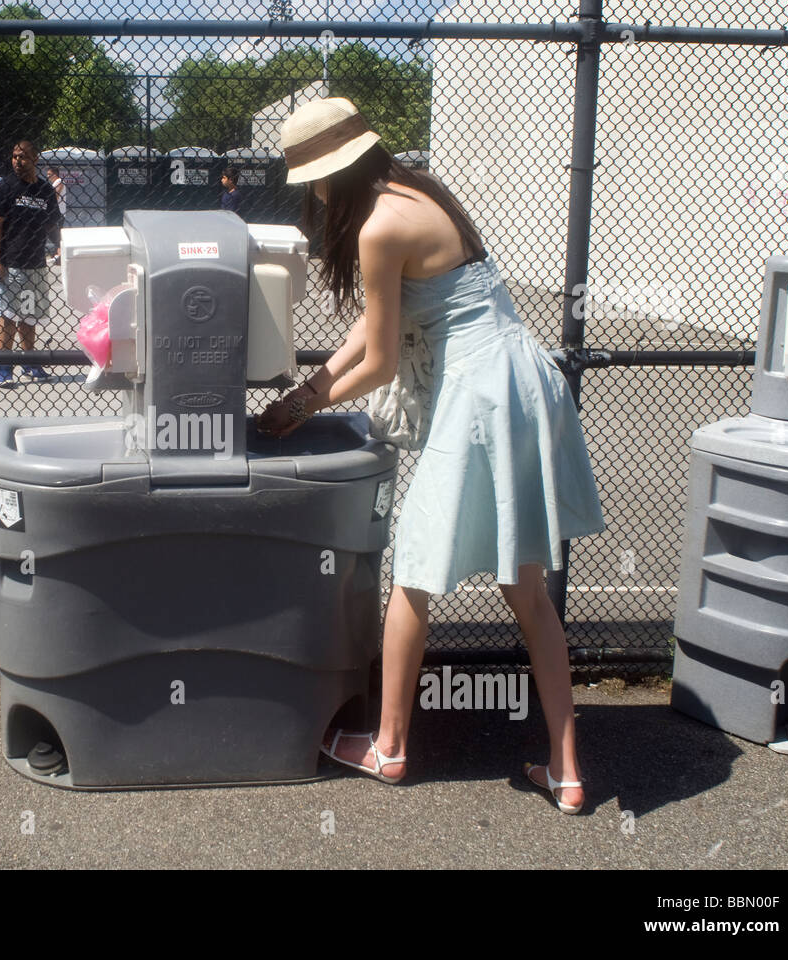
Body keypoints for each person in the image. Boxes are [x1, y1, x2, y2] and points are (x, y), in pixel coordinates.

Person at [258, 98, 604, 813]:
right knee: (528, 591)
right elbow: (380, 320)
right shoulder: (419, 190)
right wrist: (314, 387)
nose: (317, 195)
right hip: (521, 379)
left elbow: (381, 362)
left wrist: (305, 404)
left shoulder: (378, 226)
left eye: (315, 180)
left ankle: (388, 747)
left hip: (479, 395)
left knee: (413, 572)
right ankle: (567, 771)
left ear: (331, 173)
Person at [0, 140, 62, 386]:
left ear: (35, 159)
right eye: (14, 156)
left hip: (36, 265)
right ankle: (4, 367)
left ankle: (29, 362)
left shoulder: (44, 190)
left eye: (23, 157)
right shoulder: (5, 188)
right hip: (12, 265)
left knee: (29, 316)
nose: (17, 161)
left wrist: (63, 245)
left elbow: (52, 225)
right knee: (8, 315)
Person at [45, 164, 68, 264]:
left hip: (58, 213)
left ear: (55, 174)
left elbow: (55, 196)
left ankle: (59, 256)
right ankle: (57, 255)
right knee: (53, 234)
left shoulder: (59, 182)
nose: (48, 176)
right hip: (54, 213)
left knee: (56, 235)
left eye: (49, 174)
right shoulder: (54, 184)